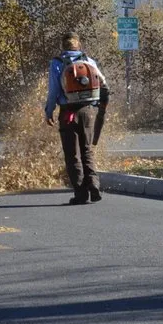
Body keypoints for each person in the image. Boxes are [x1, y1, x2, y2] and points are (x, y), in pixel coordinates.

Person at [45, 32, 109, 205]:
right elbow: (103, 84)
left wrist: (49, 111)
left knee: (73, 154)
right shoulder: (89, 61)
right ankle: (94, 185)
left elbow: (54, 91)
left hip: (67, 113)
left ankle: (80, 194)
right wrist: (99, 105)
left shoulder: (57, 63)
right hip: (88, 111)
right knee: (87, 149)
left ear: (63, 46)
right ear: (78, 45)